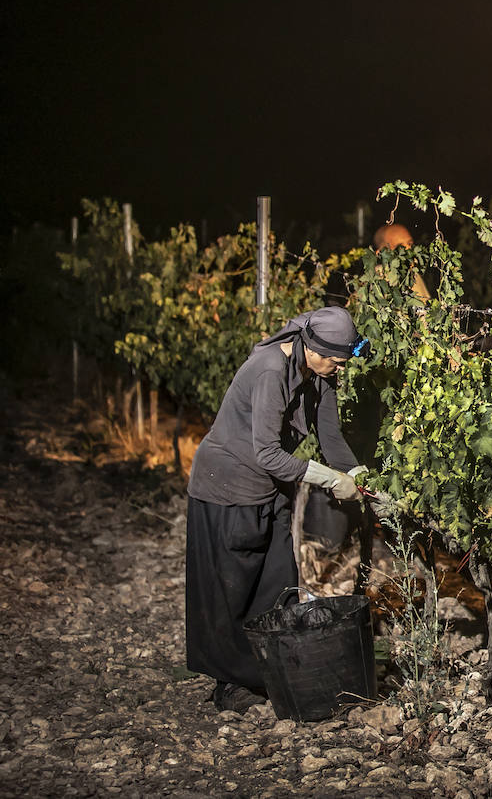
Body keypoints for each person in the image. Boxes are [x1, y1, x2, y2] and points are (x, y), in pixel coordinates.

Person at [185, 305, 369, 712]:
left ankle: (271, 670)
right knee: (230, 588)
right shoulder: (270, 370)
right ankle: (229, 682)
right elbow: (267, 452)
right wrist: (328, 479)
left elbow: (331, 435)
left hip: (270, 489)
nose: (339, 369)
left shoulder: (319, 374)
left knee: (277, 578)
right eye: (336, 361)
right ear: (314, 347)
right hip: (226, 487)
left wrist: (359, 477)